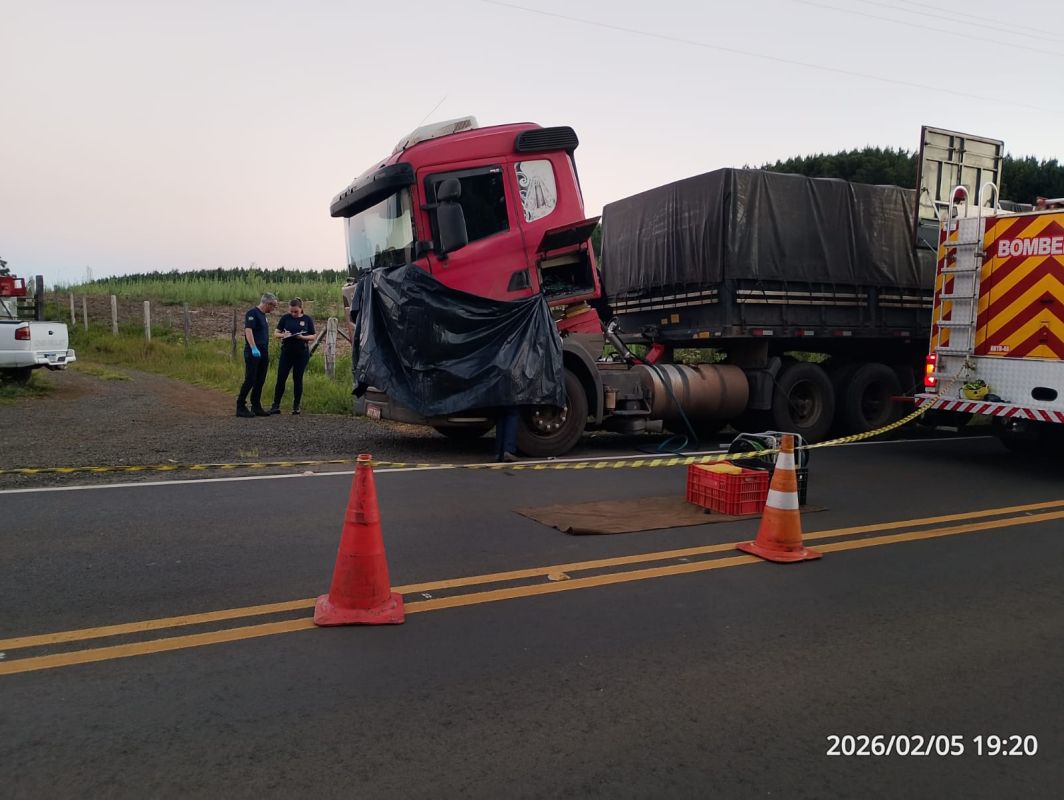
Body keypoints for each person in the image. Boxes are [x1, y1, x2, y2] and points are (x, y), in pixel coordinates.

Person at [268, 297, 316, 415]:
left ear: (301, 309)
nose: (293, 314)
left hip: (301, 353)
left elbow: (313, 336)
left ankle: (296, 406)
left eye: (296, 311)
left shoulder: (307, 319)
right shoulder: (285, 318)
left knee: (297, 378)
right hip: (287, 352)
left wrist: (302, 337)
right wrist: (283, 335)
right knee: (281, 377)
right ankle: (276, 405)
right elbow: (275, 333)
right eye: (291, 311)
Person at [236, 292, 278, 417]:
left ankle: (256, 405)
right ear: (267, 303)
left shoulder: (263, 315)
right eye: (274, 306)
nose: (274, 309)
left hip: (263, 351)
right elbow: (248, 331)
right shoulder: (252, 313)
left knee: (260, 379)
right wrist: (253, 347)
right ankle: (240, 406)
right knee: (250, 379)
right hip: (253, 351)